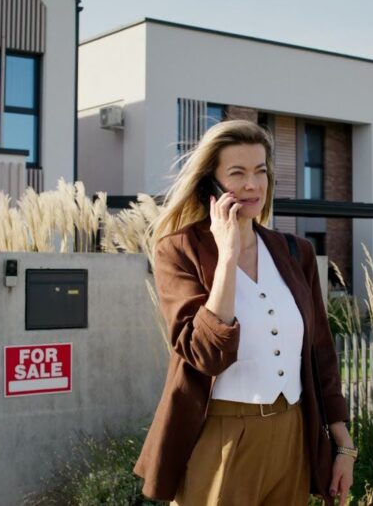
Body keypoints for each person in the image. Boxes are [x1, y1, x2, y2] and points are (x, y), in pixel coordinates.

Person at [134, 120, 355, 505]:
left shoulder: (294, 252)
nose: (252, 185)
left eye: (260, 172)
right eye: (237, 173)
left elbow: (321, 354)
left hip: (293, 436)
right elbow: (204, 354)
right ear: (211, 184)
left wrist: (344, 446)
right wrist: (228, 255)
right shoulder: (178, 250)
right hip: (221, 438)